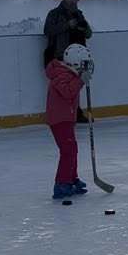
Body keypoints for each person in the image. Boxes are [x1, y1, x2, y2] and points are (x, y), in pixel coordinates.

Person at [45, 41, 92, 199]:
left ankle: (71, 178)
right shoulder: (61, 74)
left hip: (66, 118)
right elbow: (67, 92)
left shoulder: (68, 74)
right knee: (68, 150)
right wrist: (81, 81)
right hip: (59, 119)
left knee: (72, 149)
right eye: (82, 66)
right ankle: (62, 184)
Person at [41, 0, 92, 72]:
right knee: (61, 83)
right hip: (60, 57)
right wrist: (67, 25)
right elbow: (47, 30)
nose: (73, 1)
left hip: (79, 58)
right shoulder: (54, 13)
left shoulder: (79, 14)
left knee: (77, 84)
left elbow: (89, 35)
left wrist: (85, 27)